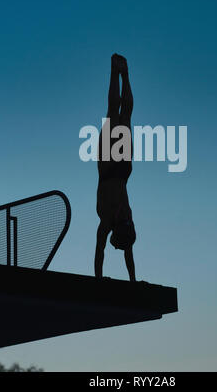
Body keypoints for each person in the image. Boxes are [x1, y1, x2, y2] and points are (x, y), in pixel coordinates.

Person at [95, 53, 136, 282]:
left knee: (123, 115)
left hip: (120, 172)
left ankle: (123, 73)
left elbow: (106, 252)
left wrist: (100, 279)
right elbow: (100, 251)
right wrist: (99, 279)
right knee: (116, 114)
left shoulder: (124, 221)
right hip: (111, 170)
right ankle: (118, 71)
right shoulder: (108, 222)